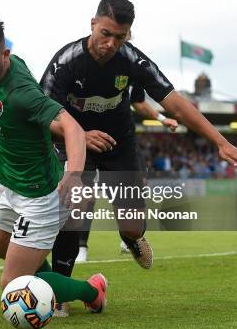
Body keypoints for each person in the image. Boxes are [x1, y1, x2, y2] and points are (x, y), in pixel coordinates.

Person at [40, 0, 237, 315]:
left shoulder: (133, 61)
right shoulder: (65, 62)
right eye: (106, 34)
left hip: (119, 144)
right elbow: (42, 115)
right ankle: (60, 292)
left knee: (131, 224)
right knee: (74, 210)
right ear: (93, 25)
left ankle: (131, 239)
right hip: (74, 141)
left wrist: (220, 142)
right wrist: (80, 135)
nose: (111, 43)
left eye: (120, 36)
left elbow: (176, 103)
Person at [0, 17, 107, 316]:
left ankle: (91, 291)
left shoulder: (21, 92)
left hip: (41, 196)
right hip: (14, 186)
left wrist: (74, 174)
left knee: (12, 281)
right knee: (2, 249)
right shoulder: (6, 68)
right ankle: (49, 286)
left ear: (5, 55)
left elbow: (72, 128)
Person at [76, 84, 179, 261]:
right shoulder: (87, 69)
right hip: (89, 139)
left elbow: (138, 101)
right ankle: (81, 247)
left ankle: (129, 238)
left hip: (123, 141)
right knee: (86, 194)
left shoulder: (132, 69)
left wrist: (161, 118)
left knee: (137, 186)